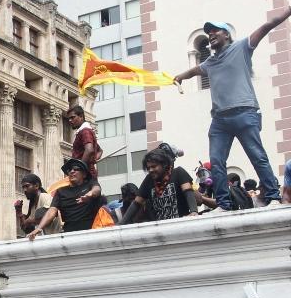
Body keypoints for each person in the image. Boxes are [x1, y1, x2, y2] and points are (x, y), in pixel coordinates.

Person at [173, 14, 291, 208]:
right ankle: (224, 204)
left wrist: (288, 10)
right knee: (217, 162)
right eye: (208, 33)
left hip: (244, 113)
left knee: (257, 156)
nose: (210, 35)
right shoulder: (210, 62)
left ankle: (273, 197)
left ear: (226, 35)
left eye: (215, 31)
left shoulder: (242, 47)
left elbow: (267, 25)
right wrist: (180, 76)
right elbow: (195, 71)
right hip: (220, 120)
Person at [120, 145, 199, 223]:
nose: (150, 170)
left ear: (164, 164)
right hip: (160, 229)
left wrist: (194, 211)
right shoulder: (149, 180)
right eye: (148, 168)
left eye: (154, 166)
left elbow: (188, 192)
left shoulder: (178, 173)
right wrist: (121, 223)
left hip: (180, 225)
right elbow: (136, 203)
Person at [27, 159, 103, 239]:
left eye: (76, 169)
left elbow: (97, 189)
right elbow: (52, 211)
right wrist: (39, 228)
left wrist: (90, 194)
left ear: (84, 174)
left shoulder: (90, 184)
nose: (72, 171)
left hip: (90, 230)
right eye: (69, 170)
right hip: (69, 233)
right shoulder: (61, 191)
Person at [67, 105, 103, 178]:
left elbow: (89, 149)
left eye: (72, 117)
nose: (70, 120)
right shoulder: (85, 131)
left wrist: (80, 168)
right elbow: (99, 151)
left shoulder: (85, 131)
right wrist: (92, 159)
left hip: (85, 175)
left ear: (81, 116)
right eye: (69, 118)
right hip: (86, 174)